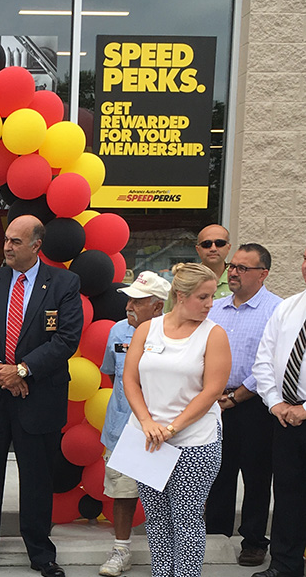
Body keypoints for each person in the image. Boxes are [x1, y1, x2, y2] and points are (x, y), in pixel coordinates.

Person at [0, 215, 83, 577]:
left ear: (37, 246)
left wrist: (22, 370)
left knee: (38, 481)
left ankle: (41, 554)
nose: (6, 247)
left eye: (15, 242)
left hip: (37, 397)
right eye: (6, 240)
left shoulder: (64, 283)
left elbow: (66, 339)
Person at [123, 262, 231, 577]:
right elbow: (130, 380)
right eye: (203, 297)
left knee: (186, 518)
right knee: (156, 519)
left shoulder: (214, 334)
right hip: (147, 438)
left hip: (195, 441)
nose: (210, 304)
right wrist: (147, 422)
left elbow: (212, 391)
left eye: (212, 297)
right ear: (180, 295)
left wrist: (172, 428)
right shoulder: (147, 329)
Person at [204, 244, 281, 568]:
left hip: (255, 406)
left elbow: (272, 363)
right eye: (232, 266)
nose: (233, 272)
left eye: (242, 268)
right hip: (214, 403)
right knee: (217, 472)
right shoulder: (215, 308)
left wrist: (237, 396)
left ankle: (253, 541)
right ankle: (216, 536)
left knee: (256, 475)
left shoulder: (276, 310)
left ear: (263, 274)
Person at [97, 271, 171, 577]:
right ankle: (121, 550)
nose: (129, 305)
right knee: (123, 492)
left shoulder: (174, 334)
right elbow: (113, 375)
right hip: (122, 428)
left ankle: (167, 554)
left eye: (137, 301)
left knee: (165, 497)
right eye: (129, 299)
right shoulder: (117, 331)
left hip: (163, 430)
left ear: (158, 306)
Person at [251, 246, 306, 577]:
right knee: (287, 496)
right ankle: (285, 565)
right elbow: (264, 359)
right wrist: (275, 403)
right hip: (285, 419)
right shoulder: (289, 307)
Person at [195, 224, 232, 300]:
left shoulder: (240, 278)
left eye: (219, 243)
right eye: (206, 244)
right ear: (198, 249)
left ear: (228, 247)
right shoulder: (187, 279)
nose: (213, 249)